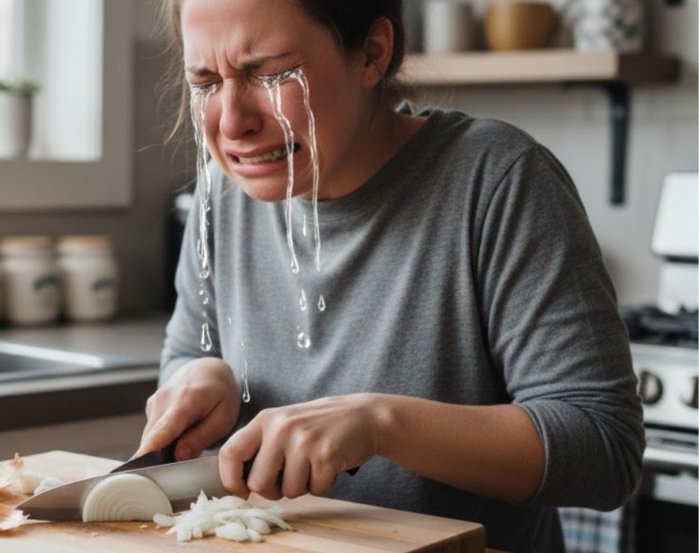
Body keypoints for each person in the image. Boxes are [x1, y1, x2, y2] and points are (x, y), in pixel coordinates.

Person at [137, 1, 644, 551]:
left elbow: (603, 449)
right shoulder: (219, 195)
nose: (232, 123)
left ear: (373, 54)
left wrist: (381, 423)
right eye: (205, 81)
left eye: (270, 73)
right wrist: (202, 377)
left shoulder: (497, 179)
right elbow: (183, 359)